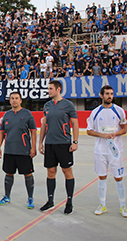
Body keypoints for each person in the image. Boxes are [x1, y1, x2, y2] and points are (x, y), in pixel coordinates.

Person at [86, 85, 127, 218]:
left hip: (115, 151)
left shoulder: (119, 111)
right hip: (100, 151)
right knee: (102, 176)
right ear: (101, 96)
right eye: (107, 94)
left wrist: (115, 134)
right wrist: (102, 135)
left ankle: (123, 206)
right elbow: (89, 130)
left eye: (111, 94)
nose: (109, 96)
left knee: (118, 177)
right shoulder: (95, 112)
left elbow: (124, 129)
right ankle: (102, 205)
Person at [39, 80, 79, 215]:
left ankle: (69, 202)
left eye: (51, 89)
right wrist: (41, 142)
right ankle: (50, 201)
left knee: (67, 172)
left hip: (64, 144)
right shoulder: (47, 105)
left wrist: (75, 142)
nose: (49, 91)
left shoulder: (68, 105)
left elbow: (75, 124)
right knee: (50, 173)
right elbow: (44, 125)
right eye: (48, 88)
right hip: (50, 143)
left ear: (58, 89)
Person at [0, 92, 37, 209]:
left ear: (20, 101)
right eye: (12, 98)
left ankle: (30, 198)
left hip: (24, 151)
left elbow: (33, 131)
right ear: (10, 101)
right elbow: (1, 132)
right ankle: (7, 196)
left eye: (16, 98)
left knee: (27, 174)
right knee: (8, 173)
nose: (14, 100)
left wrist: (33, 147)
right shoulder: (7, 115)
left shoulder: (27, 114)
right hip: (9, 150)